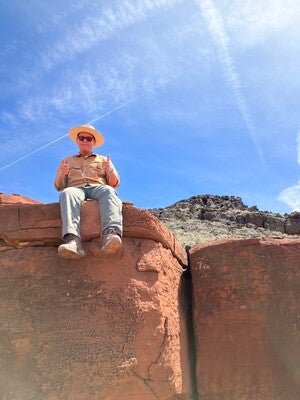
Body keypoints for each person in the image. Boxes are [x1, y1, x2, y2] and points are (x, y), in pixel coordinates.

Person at [54, 124, 123, 259]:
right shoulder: (67, 160)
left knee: (108, 190)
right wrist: (61, 174)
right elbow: (58, 186)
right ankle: (73, 242)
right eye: (82, 138)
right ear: (77, 141)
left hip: (97, 188)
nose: (85, 141)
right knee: (66, 193)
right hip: (76, 188)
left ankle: (110, 235)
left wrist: (109, 170)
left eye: (89, 138)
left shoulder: (104, 160)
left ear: (94, 142)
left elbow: (115, 184)